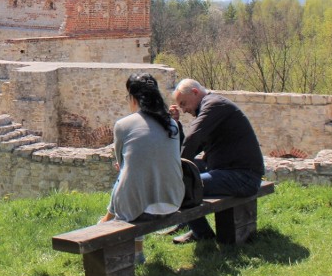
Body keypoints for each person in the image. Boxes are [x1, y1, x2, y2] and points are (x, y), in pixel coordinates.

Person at [99, 73, 185, 264]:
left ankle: (130, 245)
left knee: (125, 178)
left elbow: (121, 163)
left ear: (134, 98)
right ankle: (111, 222)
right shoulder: (172, 124)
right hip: (173, 201)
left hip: (138, 209)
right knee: (130, 178)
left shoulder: (123, 125)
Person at [170, 79, 265, 244]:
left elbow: (193, 139)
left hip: (243, 177)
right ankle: (193, 228)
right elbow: (193, 146)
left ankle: (203, 235)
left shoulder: (214, 105)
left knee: (180, 188)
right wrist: (175, 124)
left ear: (194, 92)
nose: (184, 110)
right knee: (182, 182)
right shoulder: (211, 108)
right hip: (232, 172)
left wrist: (177, 170)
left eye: (184, 104)